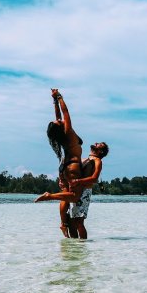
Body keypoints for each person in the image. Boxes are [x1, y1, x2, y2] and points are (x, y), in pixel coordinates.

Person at [36, 141, 109, 240]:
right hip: (74, 189)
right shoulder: (83, 159)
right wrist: (62, 180)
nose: (96, 143)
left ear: (100, 151)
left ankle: (83, 246)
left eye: (99, 144)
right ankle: (74, 247)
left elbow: (95, 178)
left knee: (79, 222)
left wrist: (78, 181)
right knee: (71, 222)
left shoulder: (97, 161)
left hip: (85, 192)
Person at [41, 89, 84, 237]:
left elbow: (59, 116)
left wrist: (54, 101)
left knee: (66, 195)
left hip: (64, 167)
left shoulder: (62, 135)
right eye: (57, 122)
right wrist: (60, 97)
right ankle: (50, 196)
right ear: (60, 127)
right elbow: (65, 113)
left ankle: (63, 224)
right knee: (74, 196)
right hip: (73, 166)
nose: (58, 120)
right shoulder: (68, 131)